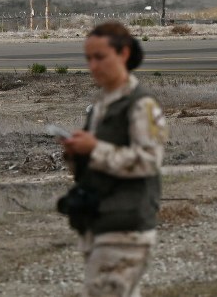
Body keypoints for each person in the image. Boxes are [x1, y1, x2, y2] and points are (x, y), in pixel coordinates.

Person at [58, 21, 168, 297]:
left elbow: (148, 160)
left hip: (126, 229)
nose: (93, 66)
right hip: (101, 223)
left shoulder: (141, 106)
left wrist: (94, 148)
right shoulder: (100, 108)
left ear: (123, 54)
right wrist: (76, 154)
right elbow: (96, 165)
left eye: (100, 57)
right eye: (88, 59)